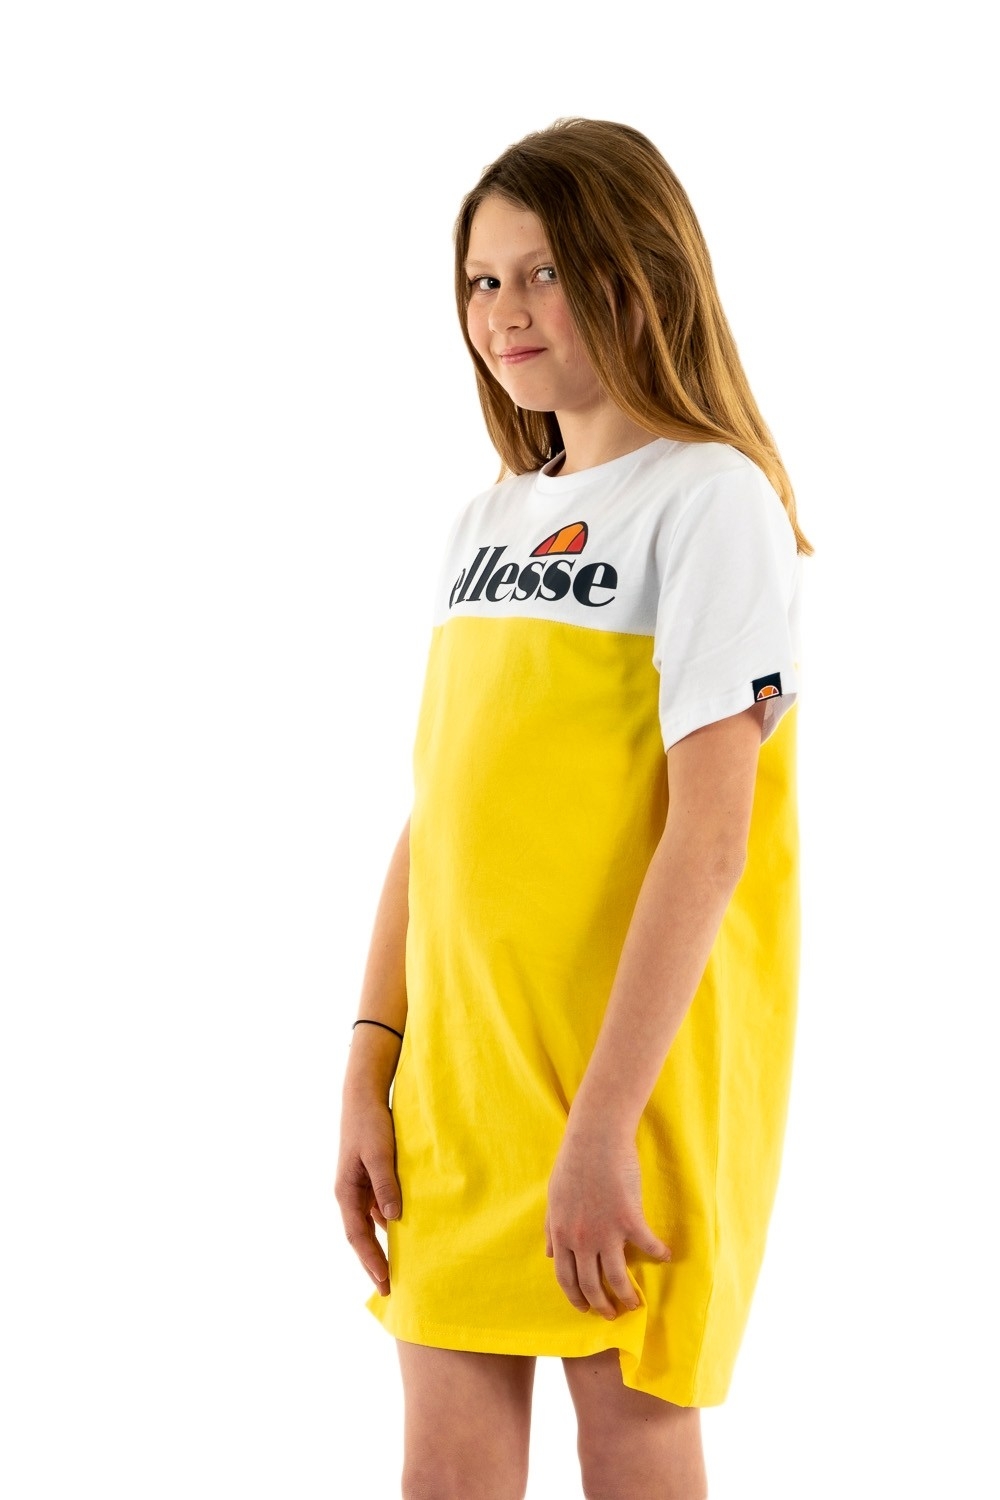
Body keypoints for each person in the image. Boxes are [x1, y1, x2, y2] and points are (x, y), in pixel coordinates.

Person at [335, 117, 809, 1500]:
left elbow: (710, 837)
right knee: (446, 1466)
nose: (506, 309)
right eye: (482, 280)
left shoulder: (712, 501)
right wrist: (371, 1058)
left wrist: (604, 1125)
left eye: (543, 272)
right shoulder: (489, 518)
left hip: (627, 1085)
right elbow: (442, 810)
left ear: (639, 273)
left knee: (633, 1440)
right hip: (462, 1087)